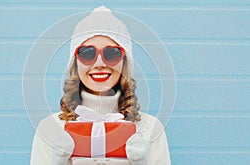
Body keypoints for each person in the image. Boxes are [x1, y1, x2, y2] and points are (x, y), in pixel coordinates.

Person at [30, 5, 171, 165]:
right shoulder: (50, 128)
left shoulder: (150, 129)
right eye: (87, 53)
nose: (99, 63)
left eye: (111, 53)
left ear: (124, 63)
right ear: (75, 64)